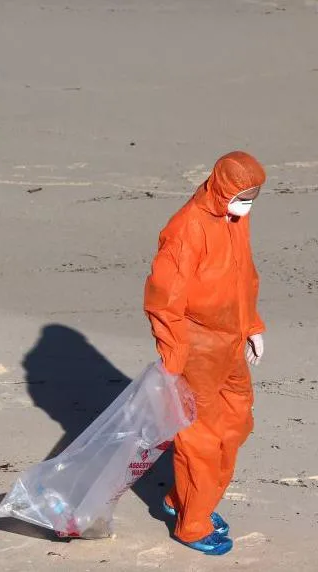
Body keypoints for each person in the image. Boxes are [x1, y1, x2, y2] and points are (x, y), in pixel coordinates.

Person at [144, 151, 266, 556]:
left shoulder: (236, 220)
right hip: (196, 346)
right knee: (199, 435)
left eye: (253, 196)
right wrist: (175, 360)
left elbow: (243, 278)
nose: (246, 204)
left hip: (230, 342)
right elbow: (165, 300)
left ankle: (183, 499)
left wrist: (252, 326)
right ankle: (192, 525)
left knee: (236, 421)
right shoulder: (187, 229)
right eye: (242, 195)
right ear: (223, 187)